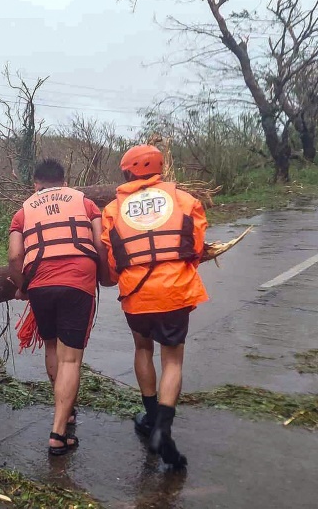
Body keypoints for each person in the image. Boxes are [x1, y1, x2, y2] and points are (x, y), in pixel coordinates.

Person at [100, 145, 208, 469]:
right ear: (159, 169)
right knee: (172, 359)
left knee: (142, 349)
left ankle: (150, 419)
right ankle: (163, 427)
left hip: (137, 294)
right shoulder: (185, 200)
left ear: (127, 172)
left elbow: (112, 259)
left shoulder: (112, 210)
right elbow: (197, 249)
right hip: (175, 291)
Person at [8, 159, 109, 456]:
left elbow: (15, 256)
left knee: (52, 347)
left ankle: (66, 411)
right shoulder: (85, 202)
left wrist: (22, 285)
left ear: (35, 184)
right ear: (64, 182)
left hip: (40, 281)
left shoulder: (23, 210)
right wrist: (104, 275)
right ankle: (58, 432)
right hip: (78, 280)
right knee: (71, 360)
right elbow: (100, 243)